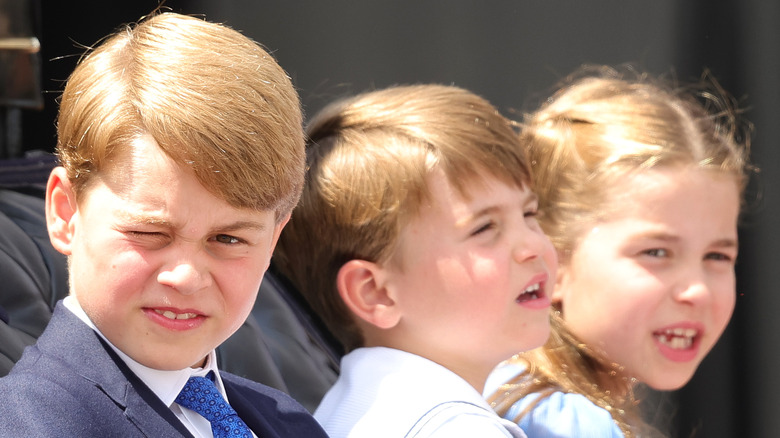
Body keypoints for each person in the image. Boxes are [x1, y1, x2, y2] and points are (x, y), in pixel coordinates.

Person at [0, 12, 328, 437]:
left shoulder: (286, 422)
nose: (186, 277)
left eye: (229, 238)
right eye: (149, 233)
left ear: (272, 242)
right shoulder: (29, 425)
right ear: (65, 212)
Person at [273, 84, 557, 437]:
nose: (533, 244)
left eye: (530, 213)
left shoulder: (350, 410)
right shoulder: (454, 429)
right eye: (484, 228)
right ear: (375, 292)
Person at [485, 66, 750, 438]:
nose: (698, 291)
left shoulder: (492, 385)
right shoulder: (561, 425)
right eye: (657, 253)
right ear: (551, 260)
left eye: (717, 257)